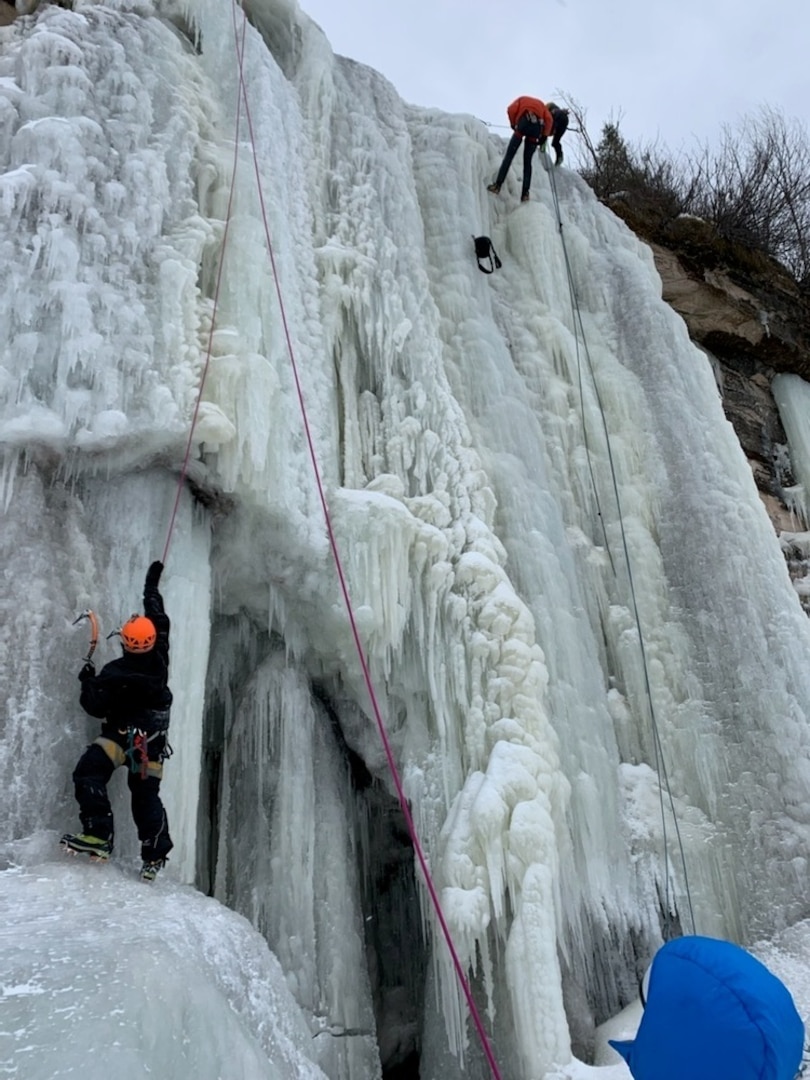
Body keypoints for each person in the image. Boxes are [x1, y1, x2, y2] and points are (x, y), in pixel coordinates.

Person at [61, 560, 174, 882]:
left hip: (122, 739)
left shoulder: (116, 674)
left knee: (89, 773)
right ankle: (154, 855)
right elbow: (158, 616)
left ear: (125, 642)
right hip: (149, 745)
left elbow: (94, 706)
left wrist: (87, 679)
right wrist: (151, 585)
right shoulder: (160, 656)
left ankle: (98, 833)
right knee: (145, 796)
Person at [487, 95, 554, 202]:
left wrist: (513, 124)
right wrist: (544, 136)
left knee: (509, 157)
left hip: (523, 123)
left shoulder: (522, 99)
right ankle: (525, 194)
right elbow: (549, 120)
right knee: (527, 163)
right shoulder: (542, 106)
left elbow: (511, 109)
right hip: (536, 129)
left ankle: (497, 185)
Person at [546, 101, 570, 167]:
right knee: (555, 142)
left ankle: (542, 147)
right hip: (564, 122)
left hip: (557, 119)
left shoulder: (552, 111)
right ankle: (560, 156)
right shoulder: (559, 110)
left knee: (545, 133)